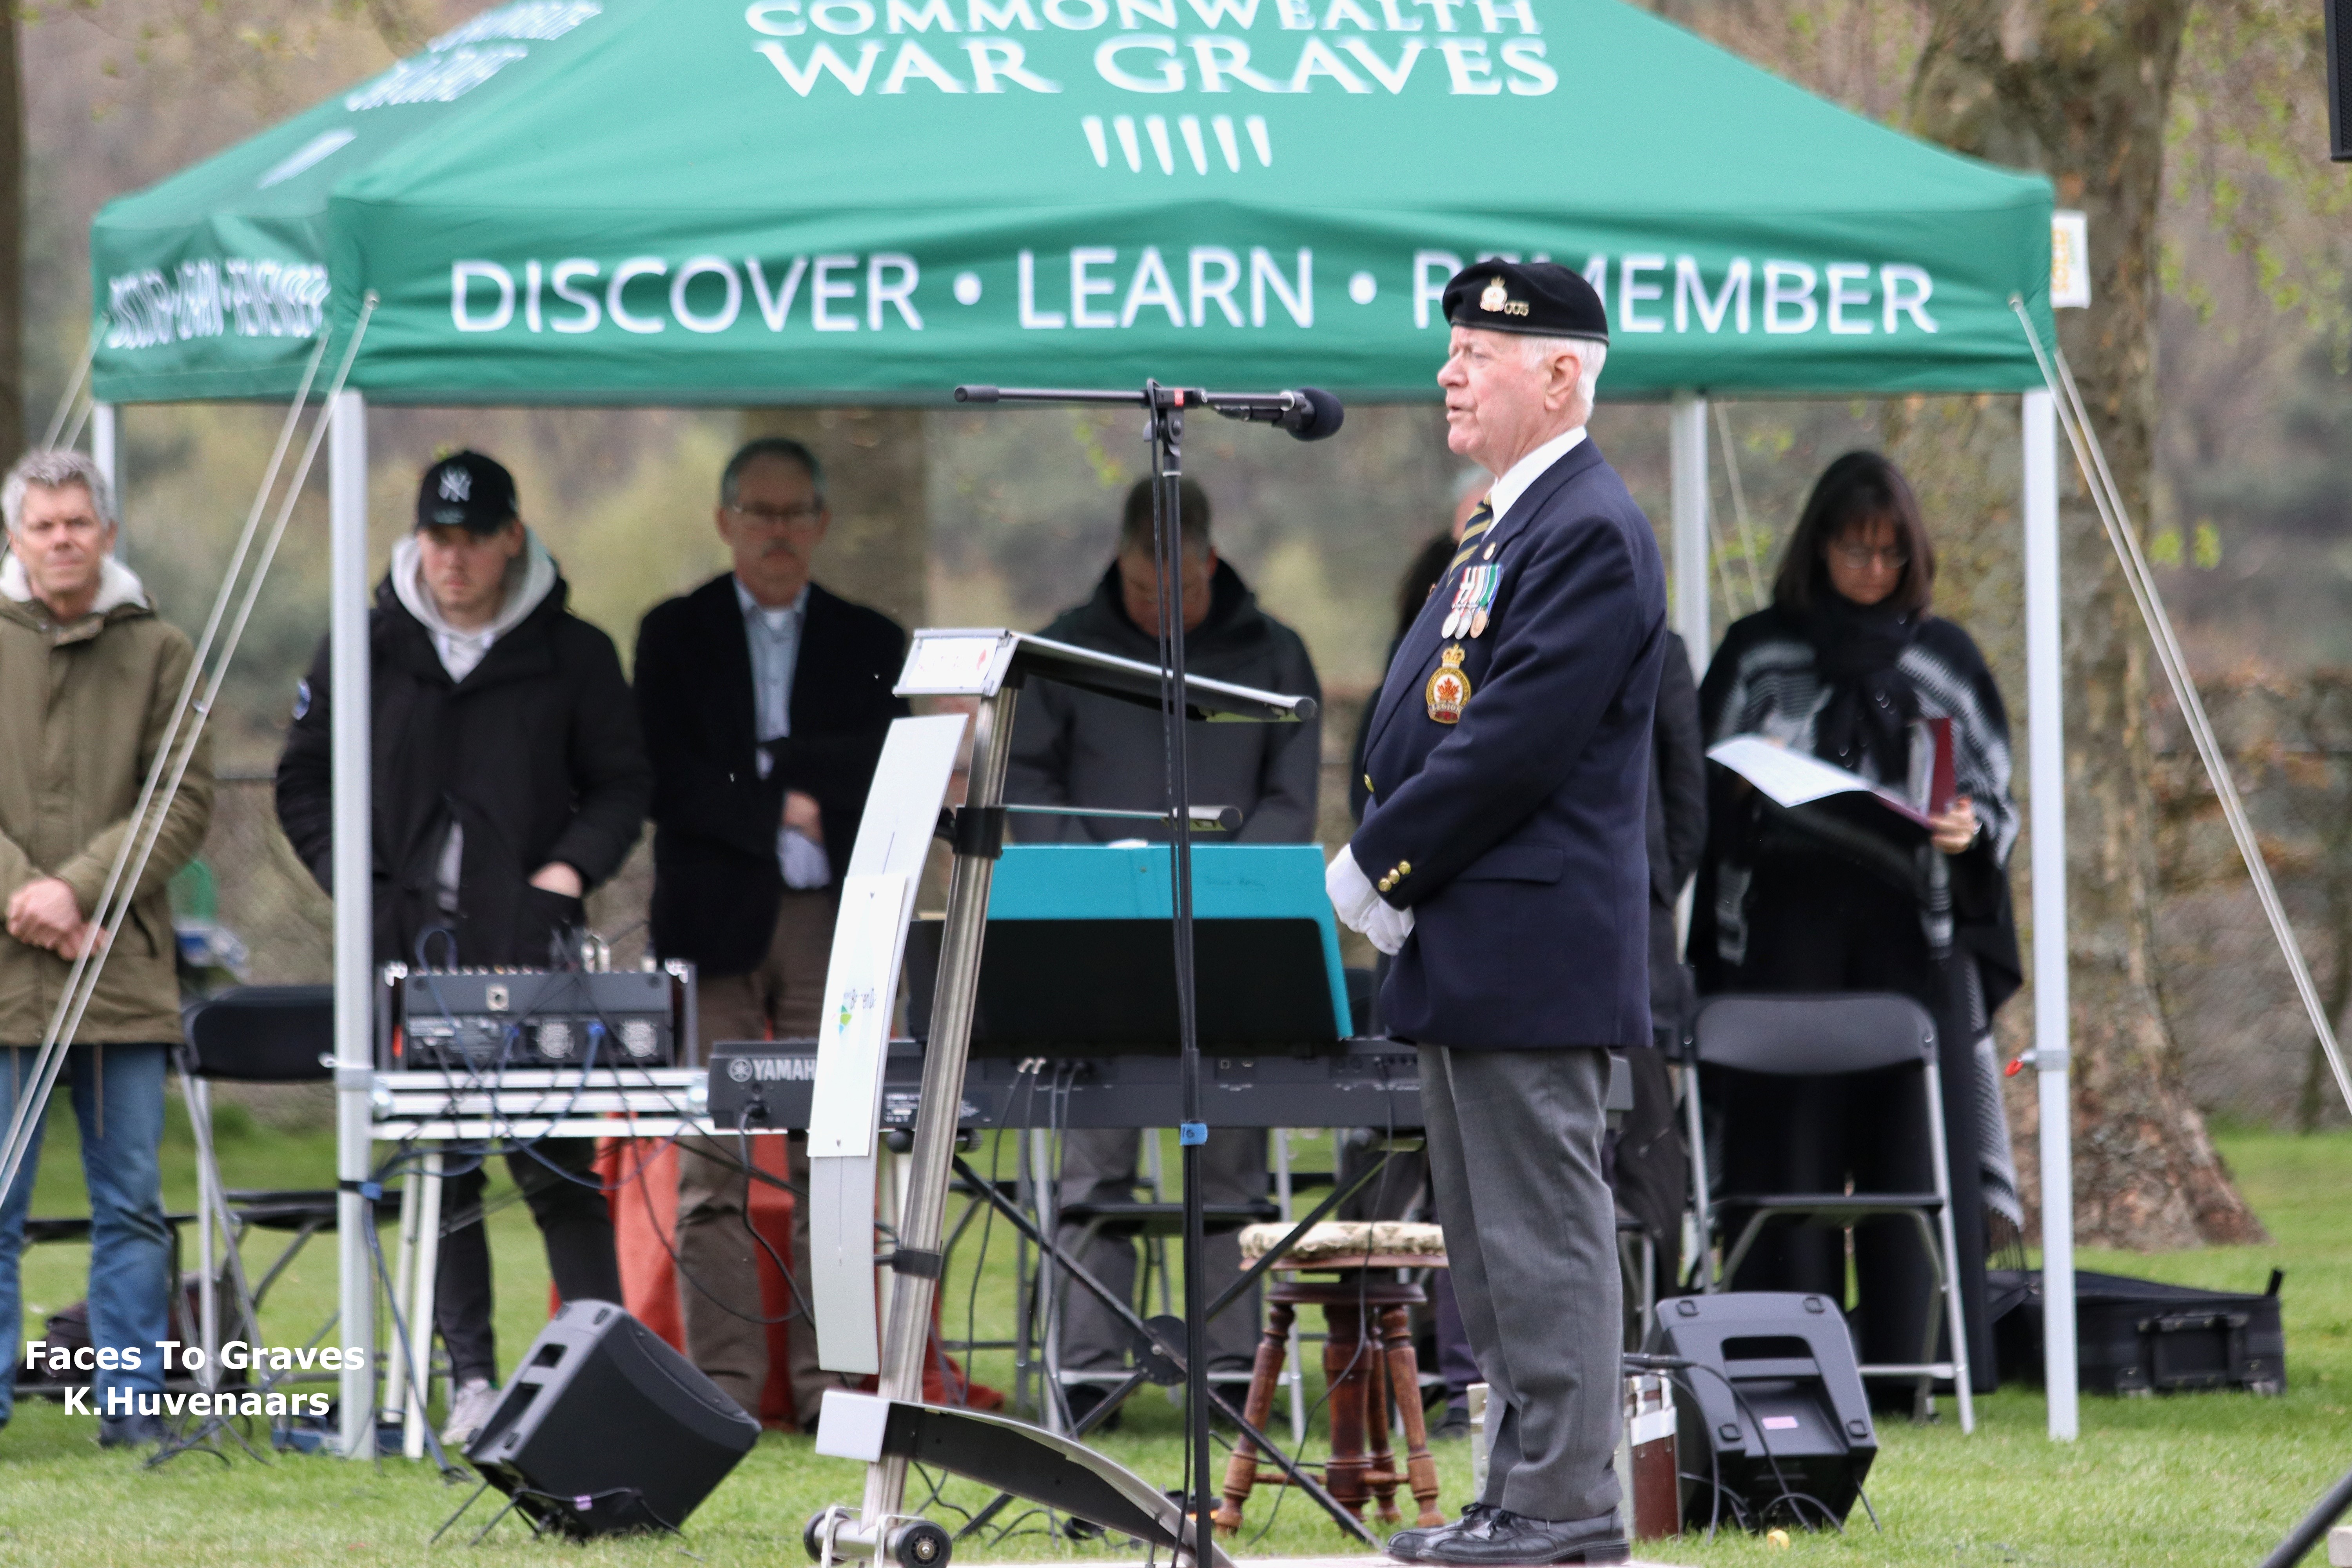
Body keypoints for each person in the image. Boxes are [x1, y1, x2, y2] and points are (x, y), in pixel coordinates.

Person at [1331, 260, 1663, 1568]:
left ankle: (1568, 1506)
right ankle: (1520, 1496)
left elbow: (1515, 743)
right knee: (1490, 1248)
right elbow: (1443, 707)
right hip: (1477, 943)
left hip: (1527, 944)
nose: (1449, 373)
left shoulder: (1584, 526)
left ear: (1562, 373)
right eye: (1453, 348)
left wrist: (1380, 861)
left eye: (1478, 350)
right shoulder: (1511, 526)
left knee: (1542, 1242)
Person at [276, 451, 649, 1445]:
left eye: (475, 537)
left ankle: (596, 1370)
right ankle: (473, 1380)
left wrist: (565, 872)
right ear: (417, 540)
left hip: (532, 953)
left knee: (559, 1163)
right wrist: (352, 879)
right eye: (438, 538)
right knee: (445, 1167)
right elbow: (303, 780)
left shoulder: (576, 654)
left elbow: (620, 785)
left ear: (512, 537)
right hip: (402, 951)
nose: (454, 558)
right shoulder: (361, 647)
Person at [1690, 450, 2020, 1399]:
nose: (1870, 570)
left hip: (1908, 947)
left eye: (1888, 552)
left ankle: (1906, 1370)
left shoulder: (1944, 654)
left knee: (1907, 1156)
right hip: (1785, 944)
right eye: (1852, 548)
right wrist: (1756, 782)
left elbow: (1996, 795)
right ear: (1818, 545)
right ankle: (1775, 1365)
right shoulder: (1759, 649)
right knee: (1783, 1155)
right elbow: (1701, 788)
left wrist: (1969, 829)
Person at [1004, 476, 1321, 1426]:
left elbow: (1292, 798)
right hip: (1097, 937)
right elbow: (1027, 784)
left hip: (1229, 941)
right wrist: (1103, 877)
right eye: (1145, 592)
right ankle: (1093, 1366)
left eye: (1177, 591)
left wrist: (1217, 884)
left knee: (1227, 1163)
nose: (1161, 609)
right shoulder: (1064, 650)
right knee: (1093, 1157)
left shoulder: (1274, 652)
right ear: (1121, 564)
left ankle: (1230, 1366)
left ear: (1210, 562)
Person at [633, 436, 908, 1427]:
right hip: (714, 926)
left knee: (836, 1161)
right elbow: (667, 775)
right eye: (759, 512)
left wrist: (768, 770)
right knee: (713, 1169)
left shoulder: (873, 638)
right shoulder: (675, 632)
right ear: (725, 521)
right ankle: (725, 1392)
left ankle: (836, 1389)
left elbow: (882, 765)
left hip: (835, 920)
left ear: (822, 523)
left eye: (796, 513)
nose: (778, 531)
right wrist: (787, 793)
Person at [0, 450, 212, 1448]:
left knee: (130, 1200)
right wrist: (23, 897)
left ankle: (131, 1409)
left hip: (118, 963)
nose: (62, 539)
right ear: (14, 536)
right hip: (6, 971)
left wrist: (74, 887)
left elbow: (183, 799)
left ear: (109, 533)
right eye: (43, 524)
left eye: (78, 522)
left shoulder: (164, 649)